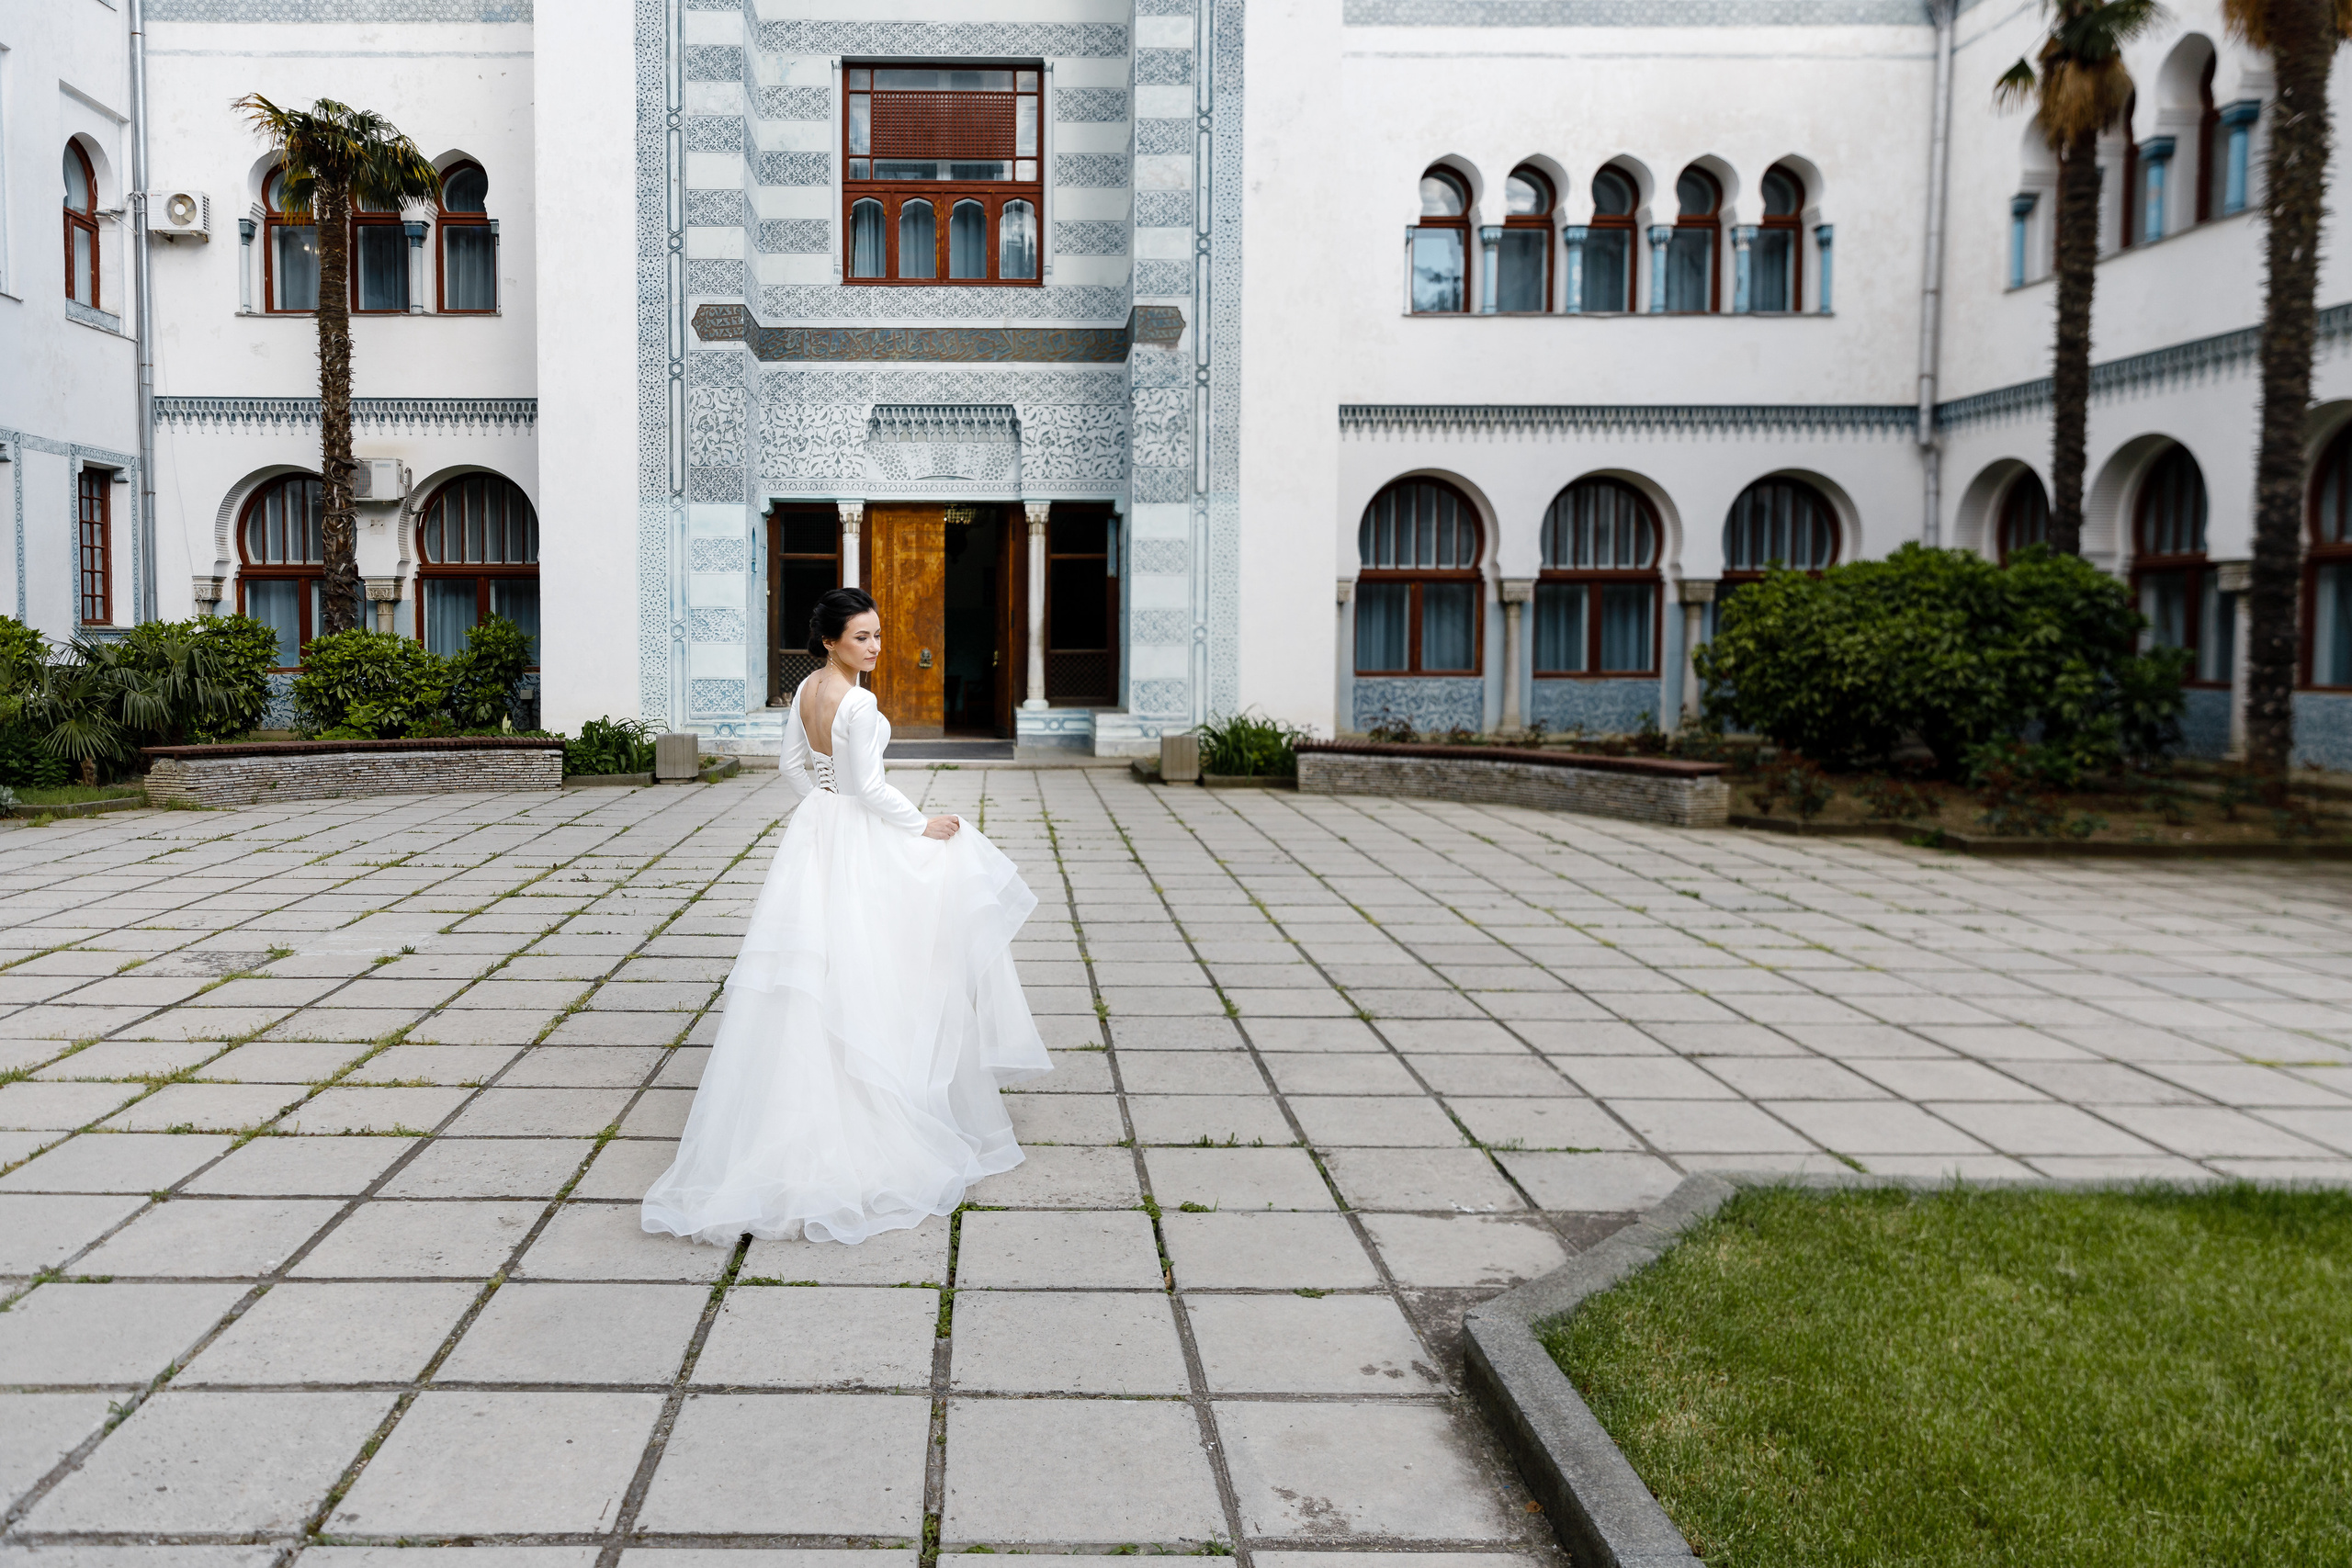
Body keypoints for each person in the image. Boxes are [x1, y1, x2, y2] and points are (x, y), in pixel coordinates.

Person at [640, 588, 1051, 1245]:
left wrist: (823, 807)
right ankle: (870, 1100)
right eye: (862, 636)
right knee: (871, 945)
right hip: (854, 829)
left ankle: (810, 1094)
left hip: (817, 832)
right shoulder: (857, 701)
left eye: (878, 635)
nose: (876, 646)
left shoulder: (805, 692)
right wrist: (919, 824)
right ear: (831, 639)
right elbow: (869, 786)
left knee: (820, 955)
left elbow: (793, 767)